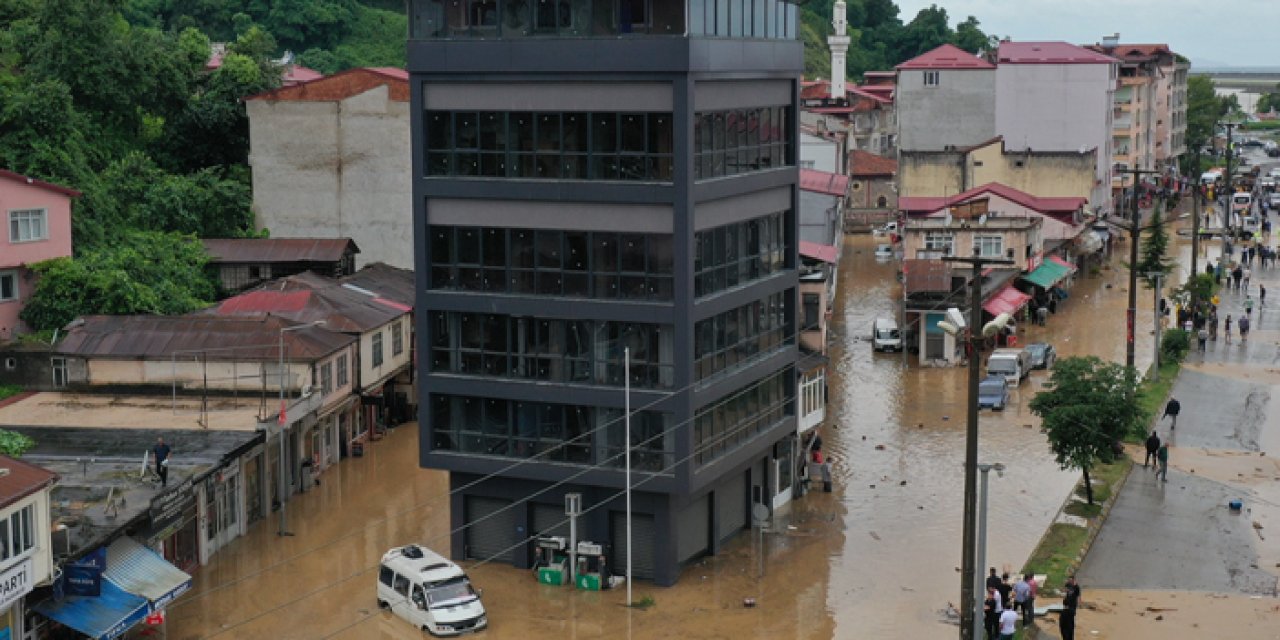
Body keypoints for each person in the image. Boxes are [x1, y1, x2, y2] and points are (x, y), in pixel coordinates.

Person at [1060, 576, 1081, 640]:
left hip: (1070, 610)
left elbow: (1078, 594)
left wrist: (1078, 604)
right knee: (1067, 627)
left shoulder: (1075, 589)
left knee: (1069, 627)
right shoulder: (1068, 591)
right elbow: (1063, 588)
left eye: (1071, 580)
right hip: (1067, 610)